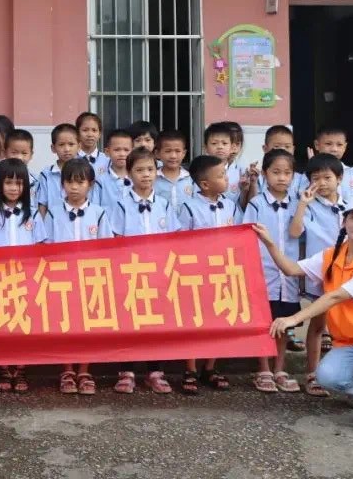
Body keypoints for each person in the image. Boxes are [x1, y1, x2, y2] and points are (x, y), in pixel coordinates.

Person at [255, 191, 353, 433]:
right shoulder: (332, 255)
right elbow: (291, 269)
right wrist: (268, 242)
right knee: (326, 376)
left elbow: (335, 296)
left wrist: (293, 318)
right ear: (344, 220)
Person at [109, 148, 179, 394]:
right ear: (129, 173)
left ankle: (155, 371)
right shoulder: (120, 205)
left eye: (150, 169)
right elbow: (116, 239)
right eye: (139, 170)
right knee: (128, 322)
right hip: (129, 273)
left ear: (157, 172)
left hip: (157, 273)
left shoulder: (164, 205)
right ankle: (126, 370)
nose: (146, 175)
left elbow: (173, 238)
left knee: (155, 322)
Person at [0, 158, 46, 395]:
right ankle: (3, 366)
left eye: (19, 183)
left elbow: (40, 246)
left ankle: (21, 366)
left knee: (23, 323)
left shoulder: (32, 215)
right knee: (2, 322)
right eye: (8, 182)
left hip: (25, 278)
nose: (13, 188)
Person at [176, 155, 240, 393]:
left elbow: (238, 236)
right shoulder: (189, 207)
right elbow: (181, 241)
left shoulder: (231, 206)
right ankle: (190, 368)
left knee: (220, 318)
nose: (226, 179)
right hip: (198, 273)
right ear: (204, 184)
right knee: (196, 319)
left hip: (224, 270)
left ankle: (211, 366)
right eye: (221, 176)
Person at [46, 158, 111, 395]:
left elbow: (106, 248)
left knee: (87, 326)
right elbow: (46, 246)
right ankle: (67, 369)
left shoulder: (99, 213)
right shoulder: (53, 213)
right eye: (69, 182)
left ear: (90, 185)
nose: (74, 187)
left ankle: (84, 370)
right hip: (62, 277)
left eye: (80, 182)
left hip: (90, 278)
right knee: (65, 324)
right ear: (62, 184)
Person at [243, 148, 302, 393]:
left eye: (287, 173)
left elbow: (299, 234)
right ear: (265, 174)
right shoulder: (256, 204)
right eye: (276, 172)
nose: (282, 178)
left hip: (287, 275)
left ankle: (280, 368)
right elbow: (247, 236)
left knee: (283, 324)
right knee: (263, 322)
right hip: (263, 272)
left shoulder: (298, 204)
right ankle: (263, 368)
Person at [291, 153, 347, 397]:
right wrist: (303, 204)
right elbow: (295, 232)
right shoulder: (309, 207)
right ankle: (312, 374)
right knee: (318, 325)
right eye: (316, 179)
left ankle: (345, 373)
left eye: (327, 178)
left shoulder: (350, 207)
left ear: (339, 178)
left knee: (346, 325)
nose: (322, 183)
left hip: (347, 274)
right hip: (322, 273)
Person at [314, 126, 353, 201]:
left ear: (345, 147)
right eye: (328, 144)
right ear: (317, 145)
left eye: (339, 145)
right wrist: (313, 167)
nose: (334, 149)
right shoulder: (309, 174)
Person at [38, 124, 83, 213]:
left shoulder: (86, 172)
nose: (67, 149)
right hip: (53, 220)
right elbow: (42, 204)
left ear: (79, 146)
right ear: (53, 148)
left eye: (71, 144)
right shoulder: (46, 174)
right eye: (61, 145)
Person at [256, 125, 307, 199]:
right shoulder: (257, 178)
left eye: (287, 146)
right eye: (276, 146)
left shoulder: (300, 179)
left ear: (293, 150)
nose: (282, 150)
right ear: (265, 148)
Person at [154, 129, 193, 211]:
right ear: (157, 153)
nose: (173, 156)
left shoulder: (191, 179)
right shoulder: (152, 179)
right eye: (168, 151)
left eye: (177, 151)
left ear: (184, 154)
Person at [96, 129, 134, 209]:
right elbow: (95, 209)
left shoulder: (137, 179)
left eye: (126, 150)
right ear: (107, 152)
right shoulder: (100, 181)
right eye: (117, 150)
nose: (122, 154)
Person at [4, 128, 42, 207]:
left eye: (24, 153)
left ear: (31, 155)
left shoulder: (37, 181)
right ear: (5, 152)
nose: (19, 157)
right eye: (14, 152)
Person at [75, 112, 109, 177]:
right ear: (77, 133)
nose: (90, 134)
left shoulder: (107, 160)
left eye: (94, 130)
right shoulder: (71, 159)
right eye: (85, 130)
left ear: (100, 134)